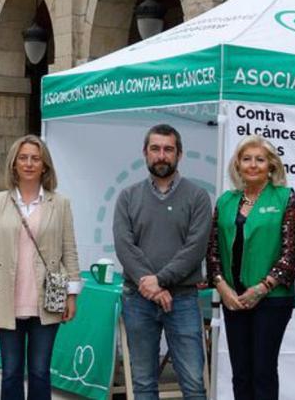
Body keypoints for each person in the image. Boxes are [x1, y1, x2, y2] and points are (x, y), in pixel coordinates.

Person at [0, 134, 81, 399]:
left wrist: (72, 295)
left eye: (35, 158)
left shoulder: (60, 203)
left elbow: (70, 251)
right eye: (23, 158)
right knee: (10, 371)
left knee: (41, 371)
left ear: (45, 165)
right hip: (6, 298)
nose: (29, 163)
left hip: (47, 301)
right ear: (14, 164)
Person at [113, 124, 213, 400]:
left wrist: (160, 280)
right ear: (144, 153)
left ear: (179, 154)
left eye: (168, 149)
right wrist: (153, 287)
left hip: (182, 300)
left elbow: (195, 248)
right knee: (143, 382)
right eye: (155, 149)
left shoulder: (198, 197)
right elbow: (124, 246)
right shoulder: (128, 197)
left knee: (193, 383)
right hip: (138, 300)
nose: (161, 155)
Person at [207, 136, 295, 400]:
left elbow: (290, 256)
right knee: (241, 373)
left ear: (271, 166)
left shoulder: (286, 198)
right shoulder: (226, 201)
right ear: (237, 165)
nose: (253, 165)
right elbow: (212, 251)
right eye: (246, 159)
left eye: (260, 160)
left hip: (272, 300)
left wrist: (261, 288)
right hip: (233, 299)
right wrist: (223, 287)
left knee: (263, 371)